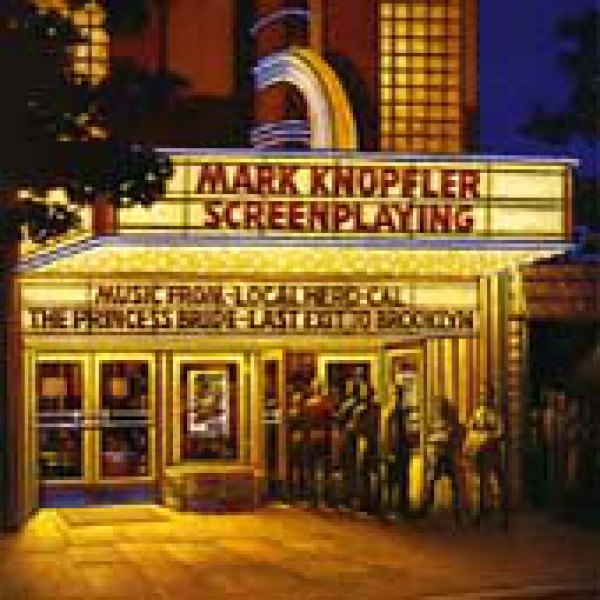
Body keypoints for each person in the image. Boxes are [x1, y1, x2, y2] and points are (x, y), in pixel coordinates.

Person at [465, 385, 506, 524]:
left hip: (492, 453)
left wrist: (489, 436)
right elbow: (469, 427)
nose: (484, 397)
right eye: (482, 394)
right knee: (477, 482)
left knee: (495, 483)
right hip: (478, 452)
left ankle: (499, 513)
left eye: (487, 394)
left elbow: (501, 432)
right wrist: (475, 432)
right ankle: (477, 511)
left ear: (491, 396)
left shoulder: (495, 414)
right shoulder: (477, 413)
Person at [421, 397, 463, 522]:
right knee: (431, 480)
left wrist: (447, 439)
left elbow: (456, 437)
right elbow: (428, 437)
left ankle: (457, 510)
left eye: (442, 408)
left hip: (449, 456)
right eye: (439, 408)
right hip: (437, 456)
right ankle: (427, 506)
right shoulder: (435, 423)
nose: (440, 411)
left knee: (455, 483)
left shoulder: (453, 423)